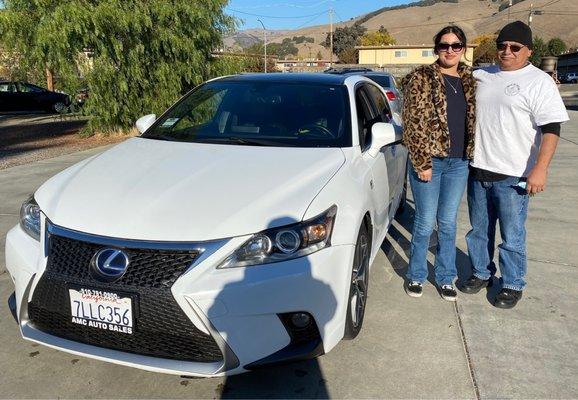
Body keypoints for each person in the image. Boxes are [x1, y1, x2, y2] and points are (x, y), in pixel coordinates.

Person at [461, 21, 569, 309]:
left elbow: (552, 129)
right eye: (502, 46)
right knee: (479, 231)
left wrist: (541, 168)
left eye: (514, 47)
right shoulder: (482, 75)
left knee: (512, 235)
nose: (506, 52)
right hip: (479, 169)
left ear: (528, 51)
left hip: (514, 176)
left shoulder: (539, 82)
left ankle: (512, 283)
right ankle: (482, 272)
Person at [402, 25, 476, 301]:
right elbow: (412, 123)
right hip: (429, 162)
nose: (450, 50)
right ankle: (416, 275)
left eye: (456, 45)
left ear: (463, 49)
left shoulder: (469, 80)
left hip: (459, 163)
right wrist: (421, 162)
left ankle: (446, 277)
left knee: (447, 223)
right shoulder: (421, 78)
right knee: (423, 222)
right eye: (444, 46)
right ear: (436, 49)